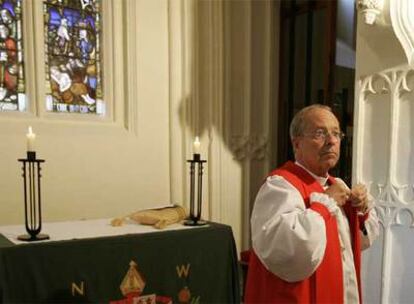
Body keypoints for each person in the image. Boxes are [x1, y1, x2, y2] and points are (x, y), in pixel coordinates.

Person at [244, 104, 379, 303]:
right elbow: (289, 253)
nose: (332, 141)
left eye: (336, 134)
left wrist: (360, 212)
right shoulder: (279, 187)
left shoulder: (337, 185)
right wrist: (324, 206)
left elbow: (359, 243)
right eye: (320, 133)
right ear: (297, 144)